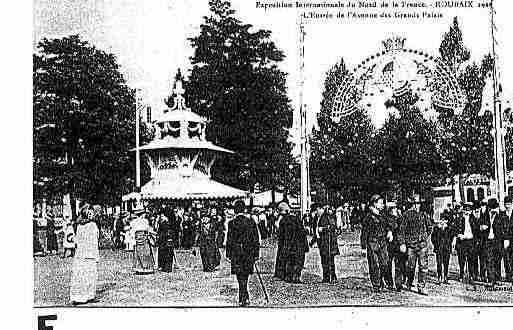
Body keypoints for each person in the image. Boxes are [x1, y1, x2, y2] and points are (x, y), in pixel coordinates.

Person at [226, 200, 260, 307]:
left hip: (236, 253)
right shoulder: (251, 222)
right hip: (248, 253)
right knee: (245, 275)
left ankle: (242, 297)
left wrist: (228, 254)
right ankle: (245, 296)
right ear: (244, 209)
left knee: (239, 276)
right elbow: (255, 239)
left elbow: (229, 240)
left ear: (235, 210)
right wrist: (256, 253)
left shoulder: (231, 223)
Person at [397, 195, 433, 295]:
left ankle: (421, 286)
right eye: (415, 204)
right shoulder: (406, 215)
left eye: (418, 204)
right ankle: (409, 281)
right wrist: (402, 243)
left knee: (423, 266)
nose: (417, 206)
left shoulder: (424, 215)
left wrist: (425, 236)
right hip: (411, 246)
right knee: (410, 266)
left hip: (422, 245)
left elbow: (429, 227)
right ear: (411, 204)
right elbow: (401, 231)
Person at [361, 195, 393, 292]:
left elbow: (387, 225)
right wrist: (363, 247)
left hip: (382, 242)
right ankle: (376, 285)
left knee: (385, 263)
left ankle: (383, 281)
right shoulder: (368, 217)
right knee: (374, 264)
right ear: (374, 204)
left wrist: (389, 231)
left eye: (383, 203)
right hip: (372, 243)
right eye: (380, 203)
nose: (382, 205)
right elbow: (364, 232)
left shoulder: (383, 215)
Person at [70, 204, 100, 305]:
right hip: (89, 253)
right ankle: (88, 296)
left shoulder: (79, 226)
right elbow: (95, 240)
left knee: (81, 274)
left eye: (92, 213)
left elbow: (77, 241)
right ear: (85, 213)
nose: (92, 215)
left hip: (81, 253)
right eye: (89, 213)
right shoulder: (92, 225)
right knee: (89, 274)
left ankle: (79, 296)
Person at [277, 201, 309, 283]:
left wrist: (281, 247)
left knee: (289, 261)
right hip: (299, 245)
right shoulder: (297, 219)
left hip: (288, 245)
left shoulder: (283, 221)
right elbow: (303, 233)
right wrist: (306, 246)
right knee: (298, 262)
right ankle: (296, 276)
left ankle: (289, 276)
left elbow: (281, 237)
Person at [479, 198, 508, 286]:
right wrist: (482, 227)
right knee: (489, 259)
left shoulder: (502, 216)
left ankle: (497, 278)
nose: (491, 210)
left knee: (497, 259)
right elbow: (480, 225)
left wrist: (506, 240)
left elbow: (505, 229)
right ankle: (491, 279)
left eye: (493, 208)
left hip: (498, 240)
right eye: (490, 208)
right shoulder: (485, 215)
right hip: (488, 240)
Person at [452, 202, 479, 283]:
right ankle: (461, 274)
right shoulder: (459, 219)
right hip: (462, 242)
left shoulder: (473, 219)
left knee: (471, 259)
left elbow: (476, 231)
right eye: (465, 210)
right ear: (463, 210)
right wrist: (458, 234)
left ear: (471, 211)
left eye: (468, 210)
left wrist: (475, 239)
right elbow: (454, 229)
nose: (467, 212)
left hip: (471, 241)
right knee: (461, 259)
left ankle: (471, 275)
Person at [386, 201, 406, 291]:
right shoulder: (387, 218)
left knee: (399, 264)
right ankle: (389, 282)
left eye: (395, 208)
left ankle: (398, 284)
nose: (394, 210)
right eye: (392, 208)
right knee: (388, 264)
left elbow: (402, 230)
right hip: (388, 244)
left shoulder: (400, 218)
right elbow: (391, 226)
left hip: (397, 244)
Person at [317, 205, 339, 283]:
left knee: (331, 260)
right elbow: (319, 229)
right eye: (329, 209)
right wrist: (326, 228)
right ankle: (326, 276)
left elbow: (335, 228)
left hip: (332, 241)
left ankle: (333, 276)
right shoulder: (323, 218)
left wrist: (337, 230)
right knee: (324, 260)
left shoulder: (333, 217)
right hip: (324, 242)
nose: (330, 211)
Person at [431, 207, 453, 284]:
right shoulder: (436, 228)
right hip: (439, 248)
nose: (443, 222)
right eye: (442, 220)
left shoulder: (449, 229)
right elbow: (433, 238)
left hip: (446, 248)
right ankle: (439, 277)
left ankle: (446, 277)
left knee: (446, 263)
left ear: (447, 221)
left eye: (445, 220)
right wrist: (436, 245)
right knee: (439, 263)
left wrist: (450, 244)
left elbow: (451, 238)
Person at [131, 208, 155, 274]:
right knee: (146, 252)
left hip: (137, 237)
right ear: (142, 215)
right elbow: (147, 229)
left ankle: (139, 268)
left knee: (138, 253)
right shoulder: (145, 221)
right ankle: (147, 268)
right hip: (143, 237)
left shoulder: (134, 222)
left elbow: (132, 230)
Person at [502, 196, 513, 282]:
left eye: (509, 204)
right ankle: (508, 275)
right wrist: (505, 239)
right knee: (506, 257)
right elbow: (501, 228)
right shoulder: (502, 214)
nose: (507, 206)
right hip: (505, 240)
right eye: (506, 204)